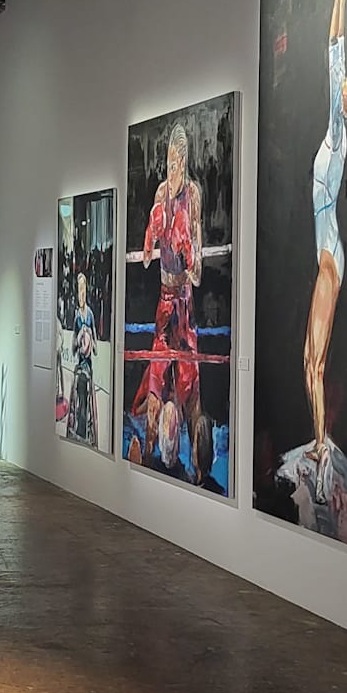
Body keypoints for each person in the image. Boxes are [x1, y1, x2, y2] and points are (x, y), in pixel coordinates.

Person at [302, 0, 347, 499]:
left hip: (329, 258)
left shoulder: (340, 136)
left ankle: (322, 448)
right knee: (308, 362)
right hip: (327, 253)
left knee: (314, 364)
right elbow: (334, 63)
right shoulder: (332, 138)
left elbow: (335, 59)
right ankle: (319, 442)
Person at [132, 123, 210, 483]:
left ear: (185, 162)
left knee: (191, 386)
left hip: (185, 303)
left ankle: (199, 467)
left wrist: (190, 254)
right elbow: (147, 259)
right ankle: (146, 459)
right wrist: (153, 232)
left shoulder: (192, 195)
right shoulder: (161, 194)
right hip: (165, 303)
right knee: (157, 379)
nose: (171, 170)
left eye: (176, 163)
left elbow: (197, 273)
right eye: (167, 163)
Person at [70, 273, 96, 441]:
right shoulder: (77, 316)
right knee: (79, 398)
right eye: (79, 290)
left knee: (88, 402)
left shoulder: (90, 314)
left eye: (83, 290)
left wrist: (91, 341)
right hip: (80, 366)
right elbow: (73, 343)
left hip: (88, 366)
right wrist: (79, 337)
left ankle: (86, 430)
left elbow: (95, 347)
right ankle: (79, 429)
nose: (82, 294)